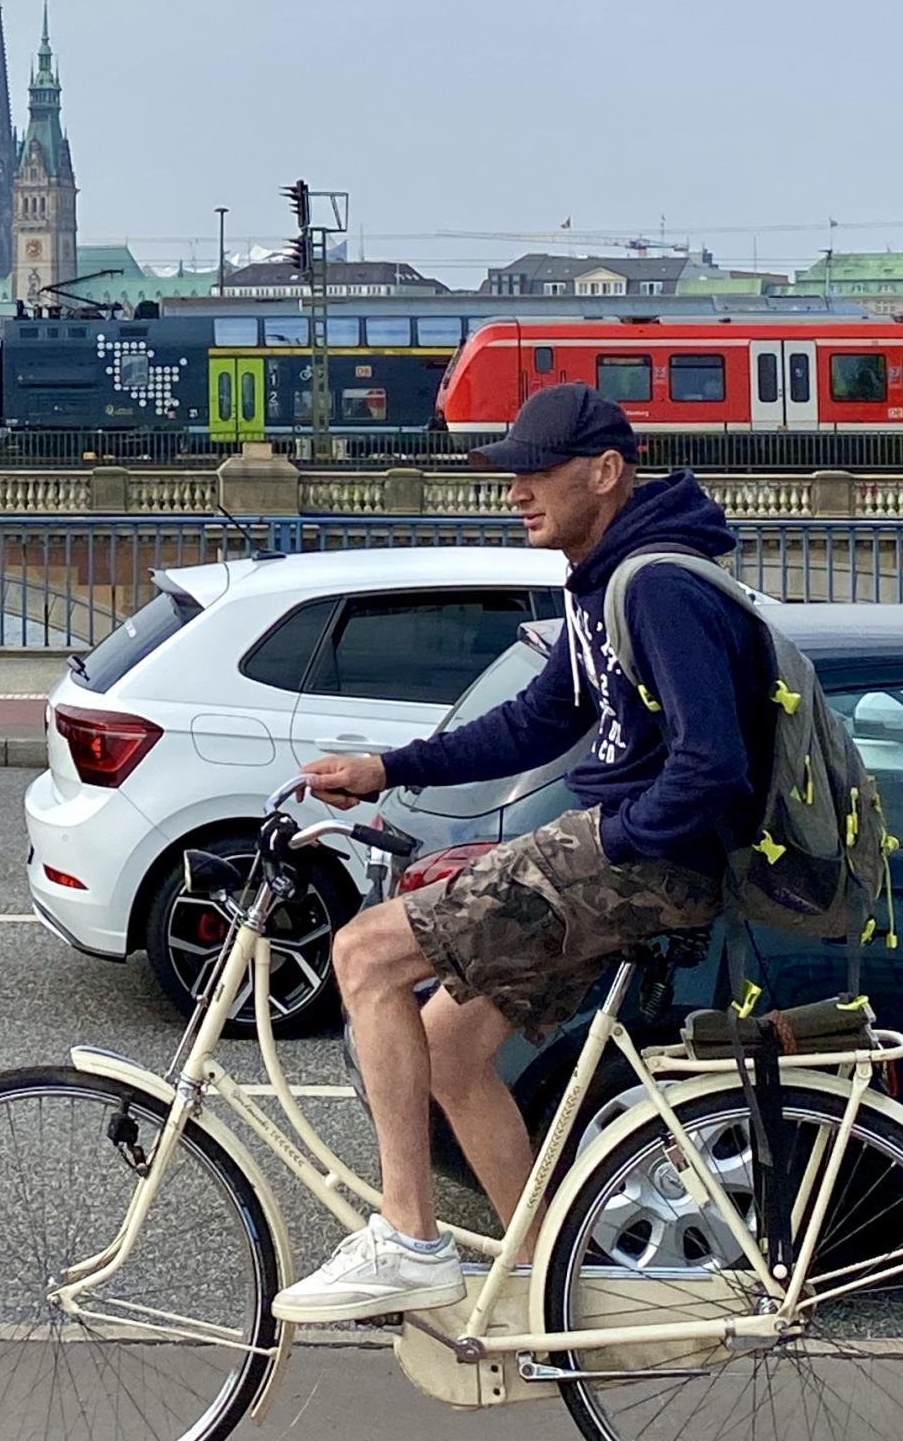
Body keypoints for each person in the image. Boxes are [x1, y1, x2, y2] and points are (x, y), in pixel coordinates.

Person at [268, 385, 773, 1324]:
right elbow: (539, 721)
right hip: (633, 856)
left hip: (642, 861)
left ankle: (408, 1236)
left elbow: (711, 761)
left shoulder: (655, 583)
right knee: (452, 1047)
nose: (516, 490)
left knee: (364, 953)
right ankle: (550, 1288)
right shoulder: (601, 580)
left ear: (605, 471)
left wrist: (611, 838)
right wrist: (385, 768)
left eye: (536, 470)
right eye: (512, 473)